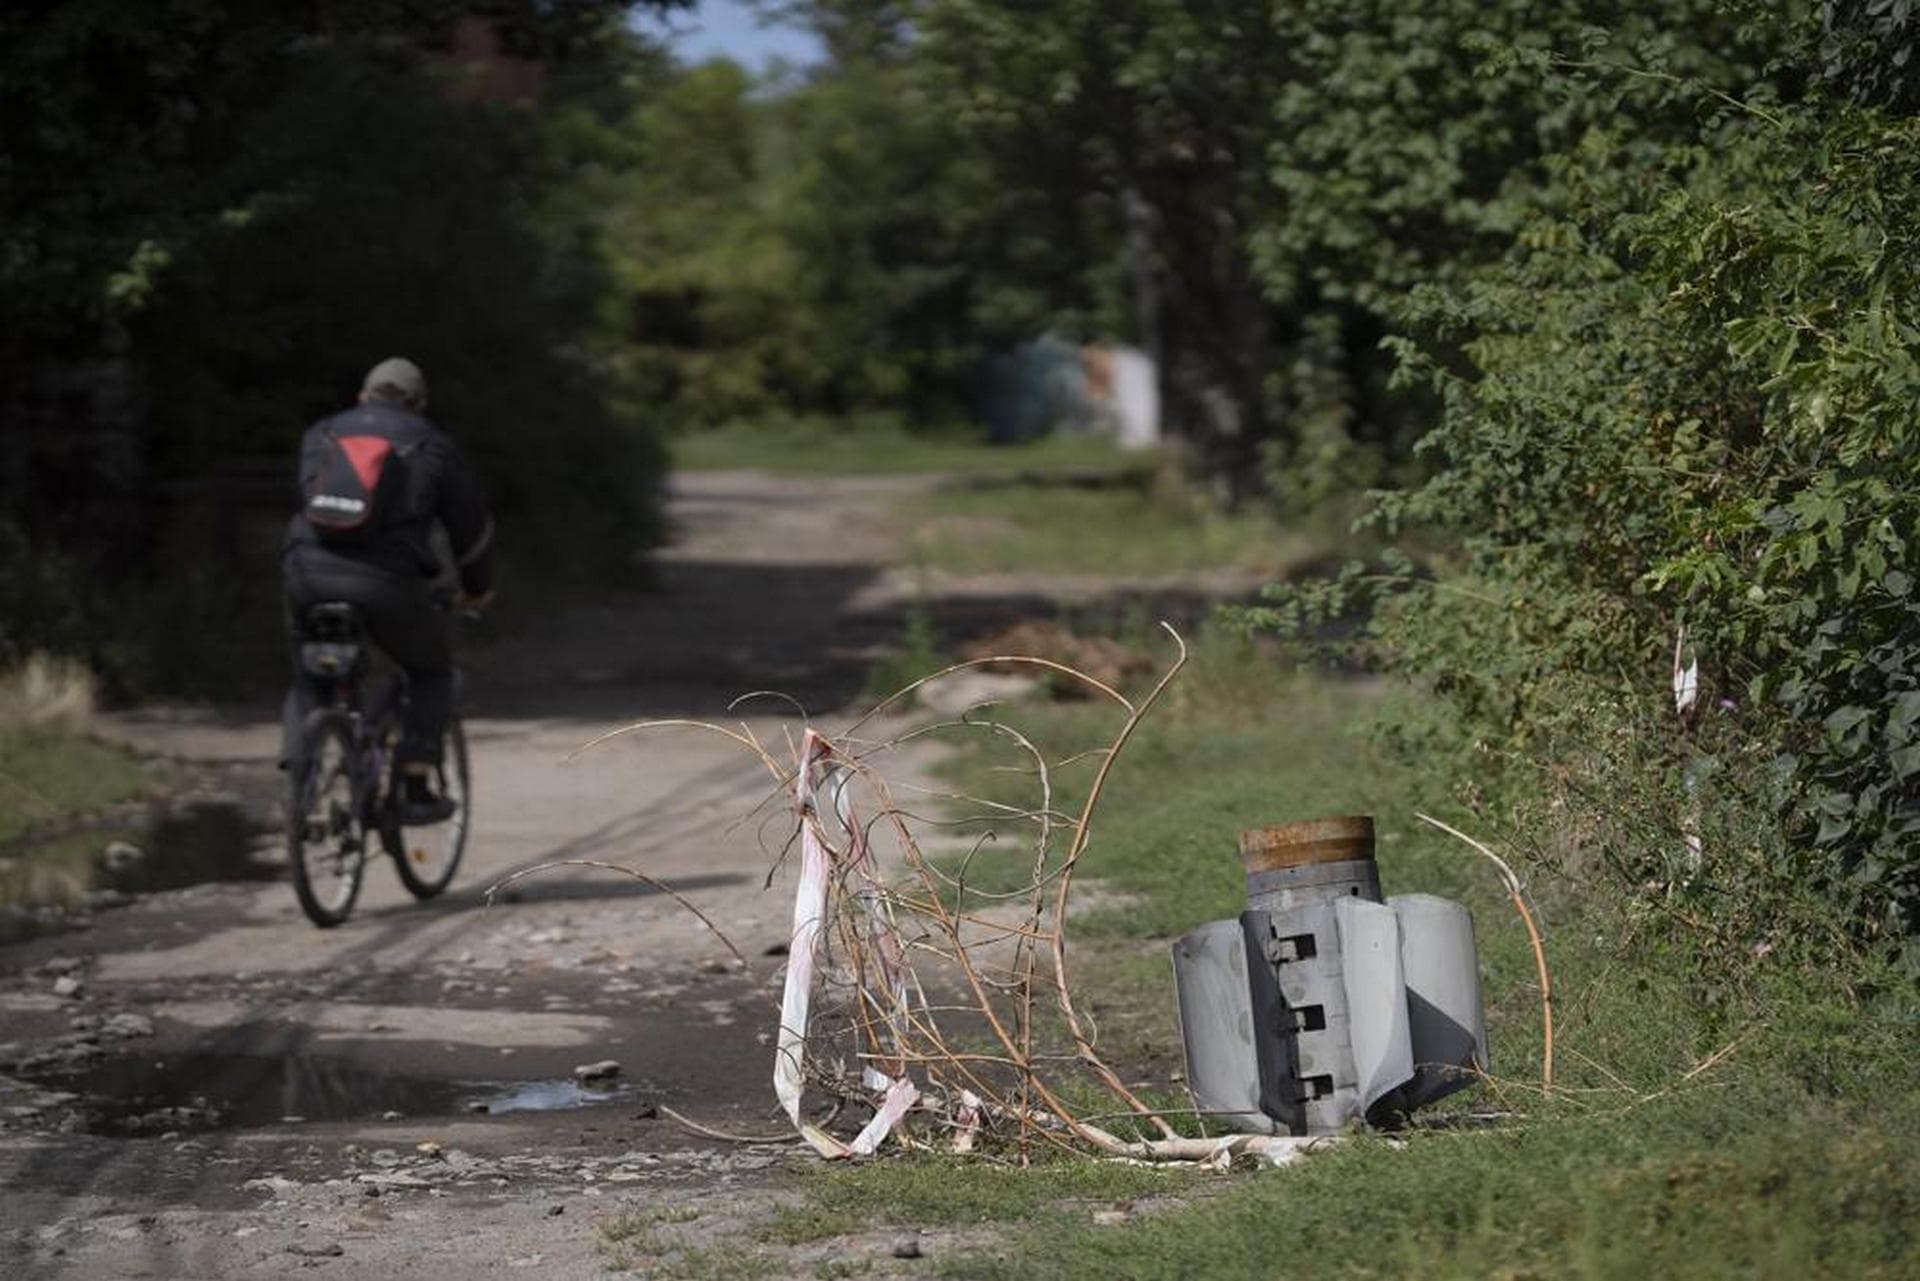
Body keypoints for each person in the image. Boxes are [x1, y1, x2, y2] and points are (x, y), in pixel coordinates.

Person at [281, 357, 493, 823]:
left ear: (363, 395)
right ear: (418, 404)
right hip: (387, 584)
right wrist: (476, 590)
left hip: (306, 574)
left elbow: (308, 499)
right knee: (433, 673)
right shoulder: (433, 445)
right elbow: (469, 530)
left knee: (308, 675)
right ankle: (416, 785)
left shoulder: (321, 433)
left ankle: (300, 772)